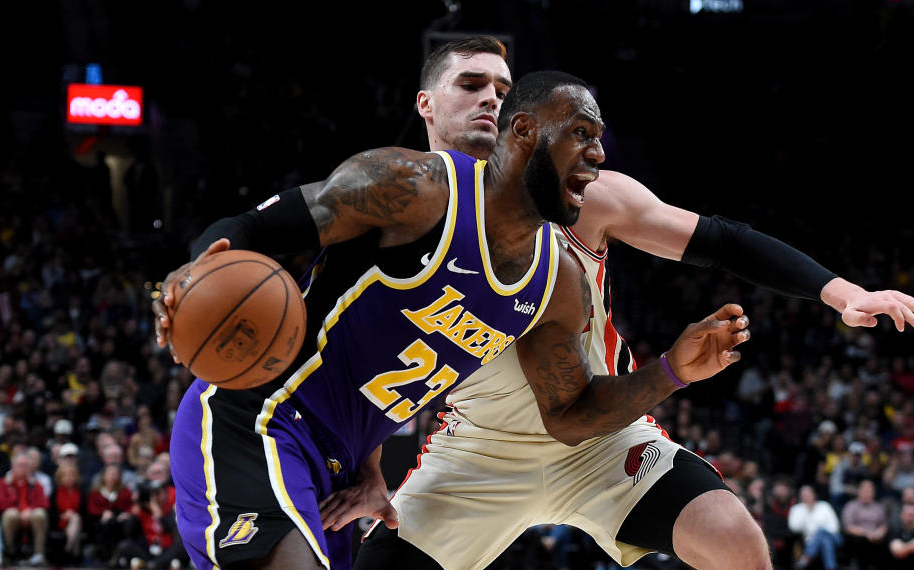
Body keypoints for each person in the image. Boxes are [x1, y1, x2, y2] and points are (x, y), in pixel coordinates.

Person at [332, 36, 914, 570]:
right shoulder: (396, 218)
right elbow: (361, 362)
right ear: (425, 105)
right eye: (471, 84)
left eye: (504, 89)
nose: (491, 98)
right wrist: (366, 464)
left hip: (604, 435)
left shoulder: (587, 198)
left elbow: (722, 242)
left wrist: (845, 293)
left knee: (734, 542)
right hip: (476, 453)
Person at [154, 69, 754, 569]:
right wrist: (191, 279)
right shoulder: (414, 188)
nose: (598, 154)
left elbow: (570, 418)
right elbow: (253, 230)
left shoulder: (558, 283)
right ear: (524, 132)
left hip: (339, 461)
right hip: (260, 415)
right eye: (580, 134)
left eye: (600, 139)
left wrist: (670, 372)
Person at [0, 452, 49, 566]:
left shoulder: (36, 484)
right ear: (13, 466)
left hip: (31, 516)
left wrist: (30, 510)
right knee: (10, 514)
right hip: (13, 516)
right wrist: (19, 511)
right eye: (20, 465)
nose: (23, 469)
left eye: (26, 466)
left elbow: (44, 503)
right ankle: (10, 553)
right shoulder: (3, 483)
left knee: (40, 514)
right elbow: (1, 504)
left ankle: (38, 553)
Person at [788, 484, 842, 570]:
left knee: (821, 531)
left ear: (814, 494)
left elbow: (834, 527)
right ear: (800, 497)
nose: (807, 497)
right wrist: (806, 511)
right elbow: (794, 527)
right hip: (811, 541)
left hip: (834, 537)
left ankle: (807, 557)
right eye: (804, 495)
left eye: (808, 494)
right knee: (825, 541)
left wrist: (819, 532)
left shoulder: (825, 506)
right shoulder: (797, 509)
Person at [840, 479, 888, 569]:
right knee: (858, 541)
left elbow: (884, 525)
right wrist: (866, 534)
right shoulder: (851, 506)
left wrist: (878, 533)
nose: (867, 493)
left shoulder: (878, 507)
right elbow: (848, 527)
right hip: (858, 539)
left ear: (873, 493)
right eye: (865, 491)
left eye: (870, 491)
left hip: (875, 539)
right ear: (859, 491)